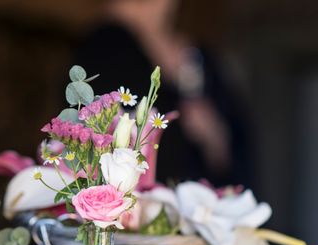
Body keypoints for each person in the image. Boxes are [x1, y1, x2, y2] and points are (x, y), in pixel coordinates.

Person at [75, 0, 251, 187]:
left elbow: (236, 149)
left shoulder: (198, 57)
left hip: (196, 198)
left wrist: (214, 135)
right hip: (131, 201)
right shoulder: (104, 46)